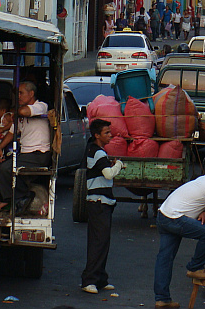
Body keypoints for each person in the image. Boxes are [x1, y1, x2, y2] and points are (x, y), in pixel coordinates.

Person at [153, 161, 205, 309]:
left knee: (165, 258)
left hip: (163, 215)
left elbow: (196, 202)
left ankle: (162, 299)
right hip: (175, 218)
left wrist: (203, 210)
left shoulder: (202, 180)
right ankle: (195, 267)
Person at [0, 81, 52, 213]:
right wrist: (0, 147)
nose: (18, 96)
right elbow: (12, 132)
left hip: (39, 154)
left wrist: (15, 112)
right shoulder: (19, 114)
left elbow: (24, 111)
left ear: (31, 94)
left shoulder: (41, 106)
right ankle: (17, 198)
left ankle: (21, 197)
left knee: (7, 169)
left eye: (21, 93)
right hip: (26, 154)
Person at [81, 119, 125, 295]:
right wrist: (119, 165)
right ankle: (89, 280)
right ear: (97, 135)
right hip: (98, 202)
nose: (110, 135)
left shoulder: (94, 150)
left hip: (100, 202)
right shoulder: (97, 152)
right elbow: (108, 174)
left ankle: (100, 279)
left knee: (102, 241)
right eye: (107, 133)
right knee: (98, 242)